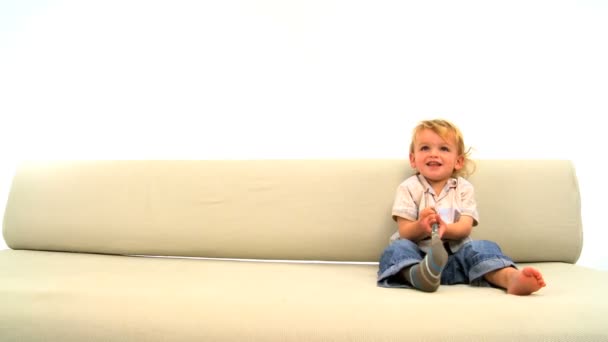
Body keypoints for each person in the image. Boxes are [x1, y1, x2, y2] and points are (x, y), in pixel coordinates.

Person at [377, 119, 546, 295]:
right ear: (413, 159)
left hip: (457, 259)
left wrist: (445, 229)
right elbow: (404, 231)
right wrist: (420, 225)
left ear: (458, 161)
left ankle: (510, 277)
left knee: (482, 247)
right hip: (418, 258)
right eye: (425, 148)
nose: (433, 154)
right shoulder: (408, 188)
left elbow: (465, 227)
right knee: (397, 249)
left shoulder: (463, 188)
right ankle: (418, 276)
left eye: (443, 148)